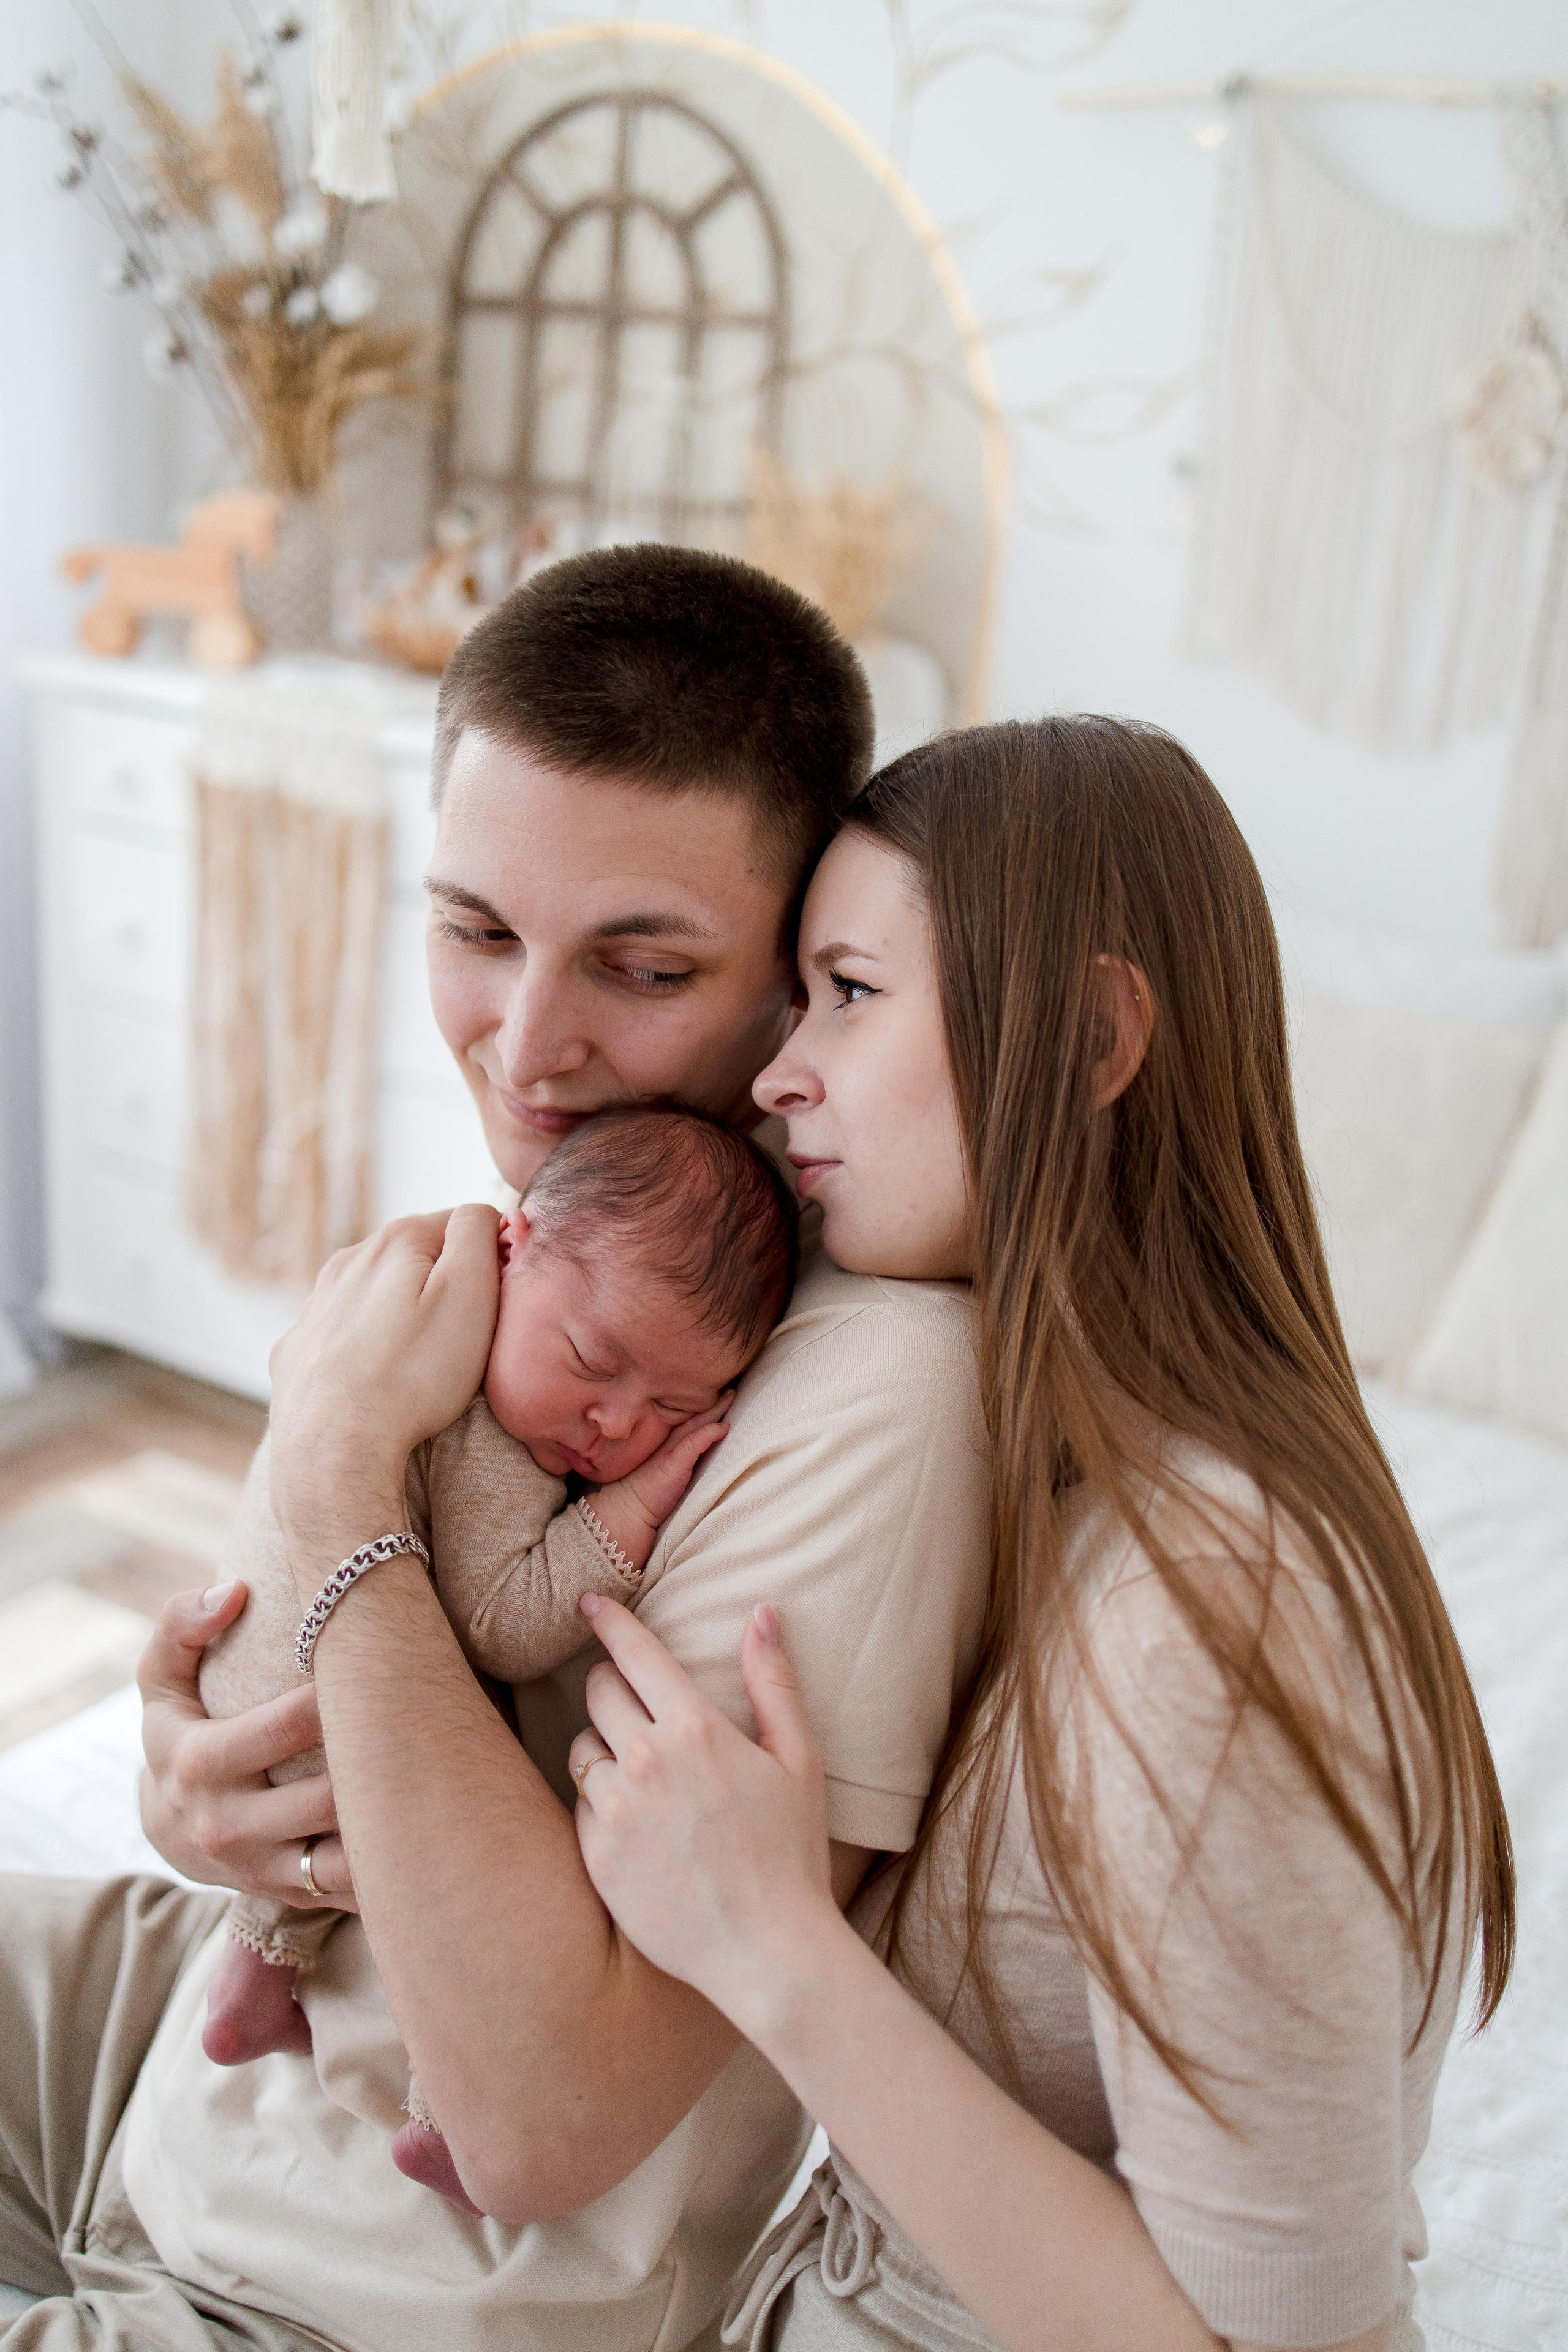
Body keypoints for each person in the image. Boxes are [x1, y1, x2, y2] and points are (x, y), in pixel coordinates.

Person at [0, 548, 990, 2351]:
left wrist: (328, 1471)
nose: (527, 1053)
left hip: (342, 2288)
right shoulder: (574, 1229)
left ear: (798, 976)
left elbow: (544, 2123)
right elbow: (355, 1655)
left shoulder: (869, 1397)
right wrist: (195, 1788)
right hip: (174, 2063)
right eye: (474, 930)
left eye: (645, 962)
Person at [559, 717, 1517, 2352]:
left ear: (1083, 1036)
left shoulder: (1213, 1610)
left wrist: (780, 1951)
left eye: (850, 994)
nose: (783, 1072)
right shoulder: (1021, 1460)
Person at [196, 1102, 796, 2215]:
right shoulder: (479, 1431)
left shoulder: (399, 1308)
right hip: (314, 1729)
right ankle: (444, 2107)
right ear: (513, 1251)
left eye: (675, 1408)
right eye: (593, 1360)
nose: (613, 1424)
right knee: (494, 1782)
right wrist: (636, 1505)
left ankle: (253, 1971)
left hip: (231, 1690)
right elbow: (503, 1622)